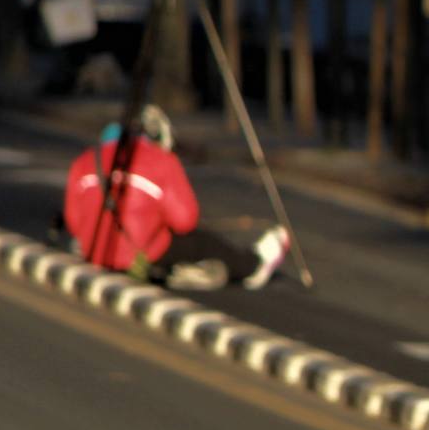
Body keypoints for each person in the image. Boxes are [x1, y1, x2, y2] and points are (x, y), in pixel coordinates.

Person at [63, 104, 289, 291]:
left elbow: (74, 222)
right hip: (142, 252)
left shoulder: (85, 160)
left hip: (93, 250)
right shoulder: (162, 161)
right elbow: (185, 221)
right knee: (202, 241)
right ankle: (252, 265)